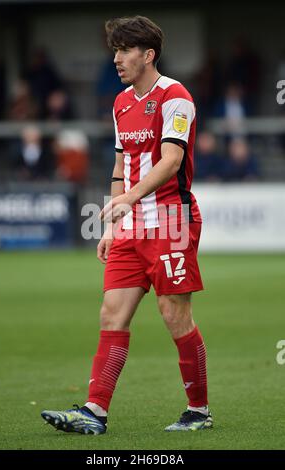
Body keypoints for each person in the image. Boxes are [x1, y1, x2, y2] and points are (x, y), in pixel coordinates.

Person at [41, 15, 212, 435]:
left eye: (124, 50)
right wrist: (114, 221)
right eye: (115, 50)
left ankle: (199, 410)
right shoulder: (120, 102)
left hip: (172, 220)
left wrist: (130, 197)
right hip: (132, 225)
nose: (116, 58)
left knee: (175, 316)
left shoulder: (176, 97)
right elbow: (121, 166)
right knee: (111, 315)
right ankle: (94, 413)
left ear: (147, 54)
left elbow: (171, 161)